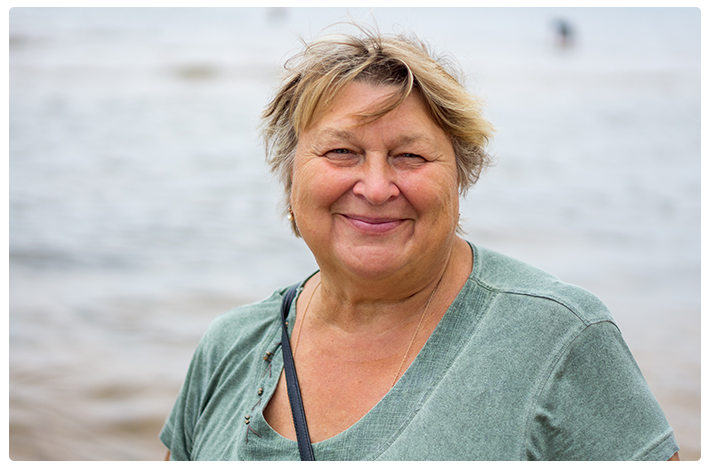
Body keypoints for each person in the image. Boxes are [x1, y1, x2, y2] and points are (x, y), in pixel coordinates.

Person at [159, 26, 680, 461]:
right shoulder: (231, 345)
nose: (377, 187)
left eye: (410, 157)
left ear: (460, 179)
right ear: (289, 176)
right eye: (341, 151)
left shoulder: (559, 339)